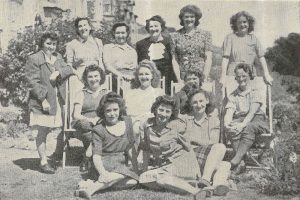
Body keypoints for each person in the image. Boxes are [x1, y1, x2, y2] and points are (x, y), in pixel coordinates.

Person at [139, 95, 207, 200]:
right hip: (164, 167)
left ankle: (196, 191)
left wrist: (196, 171)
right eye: (161, 110)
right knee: (142, 179)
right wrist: (144, 170)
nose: (163, 114)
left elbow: (188, 148)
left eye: (167, 111)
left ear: (172, 113)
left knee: (161, 179)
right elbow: (146, 149)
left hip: (182, 163)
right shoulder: (146, 125)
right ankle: (183, 185)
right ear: (155, 109)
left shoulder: (177, 125)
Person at [74, 92, 139, 199]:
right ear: (103, 112)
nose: (112, 114)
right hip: (103, 163)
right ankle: (91, 190)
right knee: (125, 176)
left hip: (120, 163)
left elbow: (130, 148)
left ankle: (92, 185)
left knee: (133, 181)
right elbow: (96, 156)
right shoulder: (99, 129)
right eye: (108, 111)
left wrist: (136, 167)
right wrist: (103, 173)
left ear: (120, 109)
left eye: (115, 110)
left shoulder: (128, 122)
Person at [25, 32, 73, 174]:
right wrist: (43, 99)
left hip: (55, 99)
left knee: (55, 129)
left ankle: (52, 157)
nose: (51, 47)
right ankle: (43, 161)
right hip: (42, 101)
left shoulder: (58, 58)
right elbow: (32, 82)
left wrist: (57, 72)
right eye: (48, 43)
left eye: (54, 44)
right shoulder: (34, 58)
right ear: (42, 44)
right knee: (42, 131)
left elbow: (69, 69)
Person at [182, 89, 231, 196]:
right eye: (195, 102)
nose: (198, 105)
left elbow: (212, 143)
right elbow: (183, 141)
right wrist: (196, 141)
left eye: (201, 101)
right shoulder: (185, 119)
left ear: (207, 101)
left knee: (223, 158)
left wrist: (192, 139)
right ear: (190, 104)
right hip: (190, 157)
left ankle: (210, 184)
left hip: (207, 158)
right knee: (222, 157)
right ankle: (212, 182)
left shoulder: (213, 120)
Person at [224, 63, 269, 173]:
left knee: (249, 127)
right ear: (235, 78)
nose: (241, 79)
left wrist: (242, 125)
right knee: (232, 127)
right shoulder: (233, 95)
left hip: (257, 119)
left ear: (250, 76)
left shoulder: (255, 91)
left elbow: (252, 112)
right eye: (238, 76)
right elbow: (229, 111)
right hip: (240, 120)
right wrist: (227, 124)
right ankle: (242, 162)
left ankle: (236, 160)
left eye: (244, 76)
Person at [220, 11, 273, 87]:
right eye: (239, 23)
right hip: (233, 73)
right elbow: (225, 58)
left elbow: (261, 57)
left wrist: (266, 74)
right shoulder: (230, 38)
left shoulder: (254, 39)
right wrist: (223, 76)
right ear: (235, 25)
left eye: (244, 22)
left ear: (249, 24)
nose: (242, 25)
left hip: (249, 73)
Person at [72, 65, 108, 171]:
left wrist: (99, 120)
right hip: (85, 123)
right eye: (90, 77)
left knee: (101, 128)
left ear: (101, 77)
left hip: (101, 122)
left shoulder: (107, 93)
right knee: (85, 125)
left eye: (96, 76)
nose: (93, 79)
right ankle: (94, 156)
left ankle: (87, 156)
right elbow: (76, 115)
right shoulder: (81, 93)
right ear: (86, 79)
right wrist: (91, 120)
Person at [136, 15, 180, 95]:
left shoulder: (170, 42)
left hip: (168, 82)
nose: (153, 29)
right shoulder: (140, 44)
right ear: (148, 29)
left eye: (156, 26)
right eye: (151, 26)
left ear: (161, 27)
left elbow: (175, 61)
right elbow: (139, 64)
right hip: (148, 81)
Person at [171, 5, 212, 81]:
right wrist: (179, 79)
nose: (189, 19)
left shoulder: (206, 34)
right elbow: (174, 59)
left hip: (201, 75)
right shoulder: (174, 36)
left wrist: (205, 77)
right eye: (186, 17)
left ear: (196, 18)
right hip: (184, 76)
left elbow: (208, 58)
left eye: (192, 17)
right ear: (182, 18)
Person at [103, 22, 138, 93]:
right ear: (114, 34)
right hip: (114, 80)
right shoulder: (108, 47)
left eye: (123, 33)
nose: (120, 35)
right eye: (117, 33)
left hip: (130, 81)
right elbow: (107, 66)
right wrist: (121, 75)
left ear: (127, 34)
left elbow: (135, 68)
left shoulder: (132, 50)